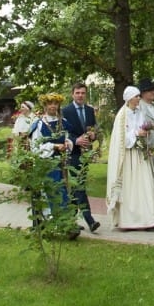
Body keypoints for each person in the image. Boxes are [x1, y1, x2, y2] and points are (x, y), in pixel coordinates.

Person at [105, 86, 154, 231]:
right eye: (136, 96)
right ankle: (129, 220)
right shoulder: (122, 115)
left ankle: (149, 219)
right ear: (129, 98)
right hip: (128, 156)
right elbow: (122, 137)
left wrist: (146, 134)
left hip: (140, 154)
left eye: (138, 96)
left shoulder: (140, 112)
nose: (138, 99)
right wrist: (137, 133)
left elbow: (144, 128)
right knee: (130, 188)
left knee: (146, 184)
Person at [30, 93, 79, 239]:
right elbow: (35, 147)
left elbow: (69, 139)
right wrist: (53, 146)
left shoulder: (63, 122)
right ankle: (48, 226)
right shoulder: (39, 124)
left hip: (61, 164)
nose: (52, 106)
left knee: (63, 193)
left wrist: (66, 144)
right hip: (46, 165)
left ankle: (66, 225)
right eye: (50, 103)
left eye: (55, 104)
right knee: (49, 193)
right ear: (45, 106)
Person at [60, 82, 101, 233]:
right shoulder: (65, 111)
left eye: (83, 93)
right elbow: (62, 132)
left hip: (85, 154)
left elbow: (94, 129)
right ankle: (90, 220)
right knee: (80, 185)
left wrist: (93, 135)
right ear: (72, 94)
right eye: (77, 93)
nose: (80, 95)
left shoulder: (90, 110)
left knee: (77, 187)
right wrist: (75, 140)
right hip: (72, 153)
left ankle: (70, 220)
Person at [136, 78, 154, 196]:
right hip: (145, 148)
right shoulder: (139, 107)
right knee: (146, 182)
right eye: (150, 90)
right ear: (142, 93)